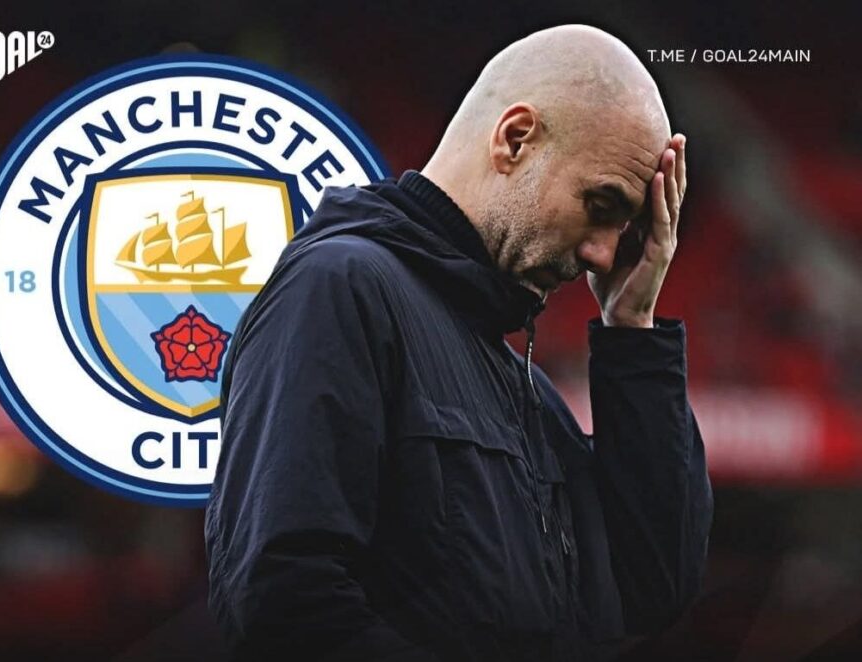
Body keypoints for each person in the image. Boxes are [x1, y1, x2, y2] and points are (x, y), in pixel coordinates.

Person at [205, 24, 713, 661]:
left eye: (626, 230)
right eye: (601, 205)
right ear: (514, 139)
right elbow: (285, 604)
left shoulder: (519, 380)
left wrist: (631, 329)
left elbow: (651, 589)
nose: (602, 256)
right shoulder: (338, 288)